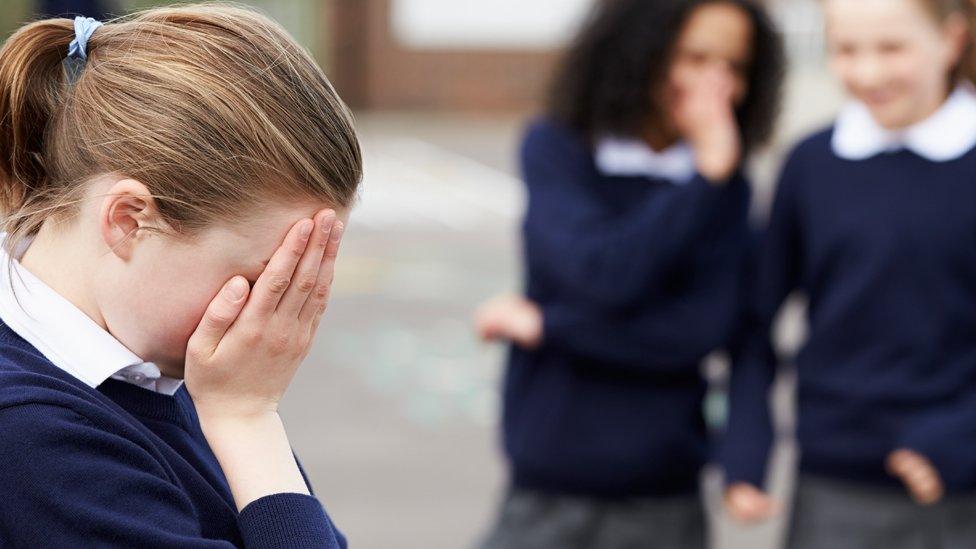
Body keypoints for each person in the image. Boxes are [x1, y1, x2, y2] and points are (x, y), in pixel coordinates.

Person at [0, 5, 361, 547]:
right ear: (129, 221)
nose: (279, 321)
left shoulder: (159, 363)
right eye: (267, 279)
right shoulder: (33, 439)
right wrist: (248, 422)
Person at [474, 0, 783, 547]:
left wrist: (551, 326)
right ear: (638, 51)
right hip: (547, 485)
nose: (717, 86)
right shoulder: (559, 150)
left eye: (734, 67)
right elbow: (600, 274)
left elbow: (698, 333)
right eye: (694, 57)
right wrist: (705, 179)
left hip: (663, 493)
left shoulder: (727, 189)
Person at [722, 0, 976, 546]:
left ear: (952, 39)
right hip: (832, 484)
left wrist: (960, 435)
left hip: (960, 493)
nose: (868, 72)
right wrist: (746, 451)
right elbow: (754, 321)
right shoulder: (811, 165)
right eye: (846, 50)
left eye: (891, 47)